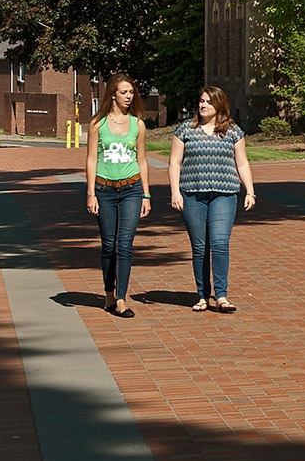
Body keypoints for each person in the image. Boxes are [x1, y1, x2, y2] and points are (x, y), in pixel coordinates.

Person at [169, 85, 255, 313]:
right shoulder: (185, 129)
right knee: (199, 247)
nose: (203, 105)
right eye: (201, 101)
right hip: (192, 194)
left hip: (224, 194)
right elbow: (174, 163)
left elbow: (242, 163)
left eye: (208, 101)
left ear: (219, 105)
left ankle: (222, 295)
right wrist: (175, 192)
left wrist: (250, 190)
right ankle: (202, 296)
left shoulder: (232, 131)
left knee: (219, 243)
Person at [84, 76, 152, 316]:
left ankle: (122, 298)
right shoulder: (98, 124)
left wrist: (146, 194)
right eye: (124, 92)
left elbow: (142, 160)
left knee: (124, 244)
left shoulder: (137, 124)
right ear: (113, 94)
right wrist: (91, 194)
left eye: (131, 92)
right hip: (104, 190)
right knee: (109, 245)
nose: (129, 96)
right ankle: (109, 294)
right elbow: (91, 160)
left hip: (132, 189)